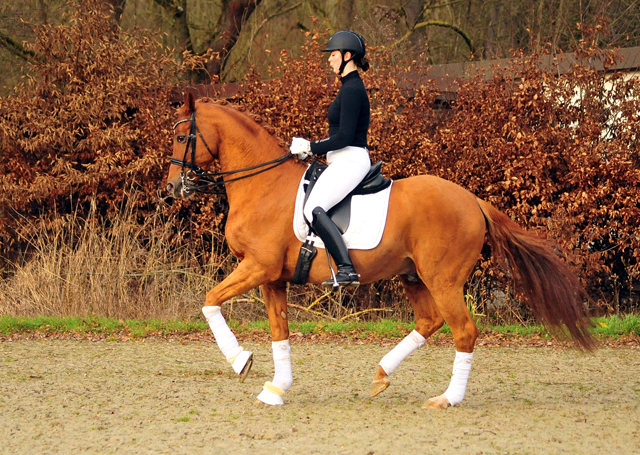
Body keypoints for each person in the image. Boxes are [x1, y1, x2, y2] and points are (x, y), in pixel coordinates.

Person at [290, 30, 371, 288]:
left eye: (333, 55)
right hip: (341, 159)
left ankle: (347, 269)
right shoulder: (348, 87)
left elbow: (345, 136)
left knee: (313, 209)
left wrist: (312, 146)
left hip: (351, 159)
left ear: (348, 56)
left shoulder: (352, 90)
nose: (329, 60)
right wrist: (313, 149)